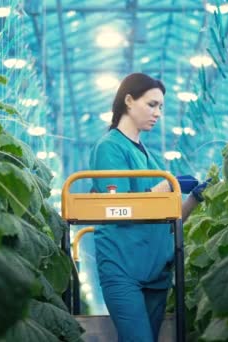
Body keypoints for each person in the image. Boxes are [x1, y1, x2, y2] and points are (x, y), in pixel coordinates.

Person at [89, 73, 208, 342]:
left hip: (156, 271)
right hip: (122, 267)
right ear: (129, 101)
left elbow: (171, 219)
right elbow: (118, 206)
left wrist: (194, 199)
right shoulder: (109, 147)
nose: (158, 113)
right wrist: (169, 185)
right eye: (152, 104)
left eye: (161, 107)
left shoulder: (149, 158)